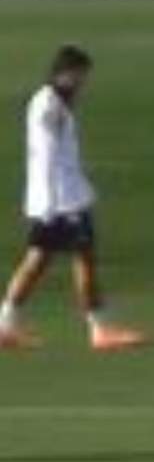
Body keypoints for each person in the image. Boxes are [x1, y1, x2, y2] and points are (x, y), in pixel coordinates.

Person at [0, 45, 145, 351]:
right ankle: (99, 329)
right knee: (83, 260)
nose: (83, 82)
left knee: (37, 260)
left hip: (57, 198)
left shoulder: (52, 102)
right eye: (80, 76)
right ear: (64, 73)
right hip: (64, 202)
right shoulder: (50, 105)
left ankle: (5, 325)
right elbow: (48, 155)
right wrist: (52, 204)